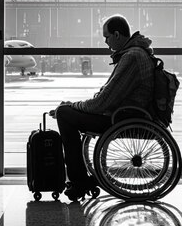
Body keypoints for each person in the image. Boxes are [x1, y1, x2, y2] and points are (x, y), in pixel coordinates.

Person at [49, 14, 155, 201]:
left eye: (106, 37)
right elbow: (107, 97)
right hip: (126, 114)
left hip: (122, 118)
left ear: (116, 34)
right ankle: (79, 179)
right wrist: (78, 106)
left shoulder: (132, 56)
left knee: (65, 114)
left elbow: (103, 102)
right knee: (68, 111)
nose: (106, 42)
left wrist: (73, 106)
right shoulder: (136, 53)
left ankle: (79, 182)